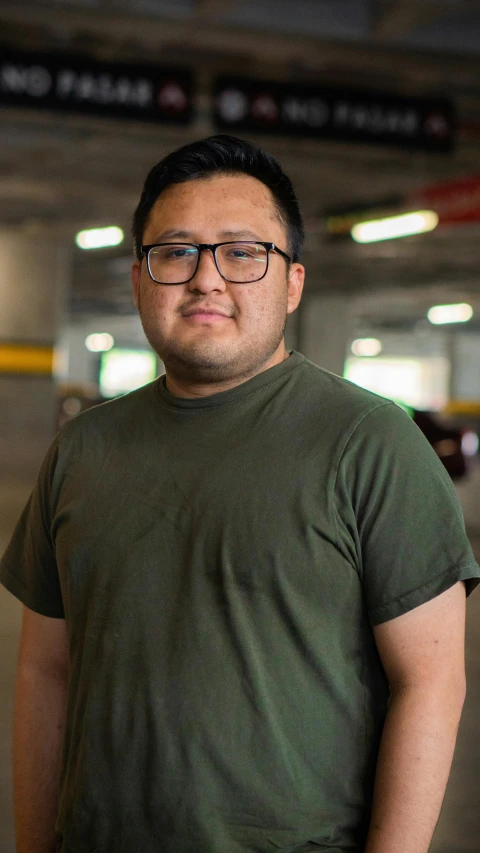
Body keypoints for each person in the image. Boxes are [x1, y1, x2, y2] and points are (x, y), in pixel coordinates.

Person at [1, 135, 479, 853]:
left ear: (292, 282)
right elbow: (45, 669)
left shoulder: (373, 443)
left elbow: (431, 684)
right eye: (176, 252)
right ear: (138, 279)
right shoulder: (82, 448)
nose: (206, 279)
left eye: (243, 252)